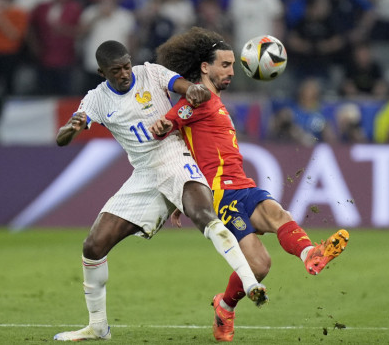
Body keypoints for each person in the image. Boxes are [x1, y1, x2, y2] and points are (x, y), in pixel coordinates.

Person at [52, 40, 266, 342]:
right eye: (117, 70)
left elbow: (184, 87)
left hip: (176, 158)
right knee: (93, 246)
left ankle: (249, 282)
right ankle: (98, 326)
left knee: (204, 215)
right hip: (144, 176)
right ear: (102, 72)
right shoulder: (96, 100)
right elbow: (62, 138)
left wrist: (191, 90)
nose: (126, 73)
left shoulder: (150, 73)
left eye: (127, 65)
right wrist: (71, 128)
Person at [150, 27, 350, 342]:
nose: (232, 71)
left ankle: (311, 253)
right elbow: (166, 128)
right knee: (259, 265)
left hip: (243, 185)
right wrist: (162, 126)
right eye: (225, 65)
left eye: (233, 65)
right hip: (222, 195)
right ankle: (225, 306)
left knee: (278, 214)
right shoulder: (196, 100)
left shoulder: (213, 100)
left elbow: (189, 146)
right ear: (205, 67)